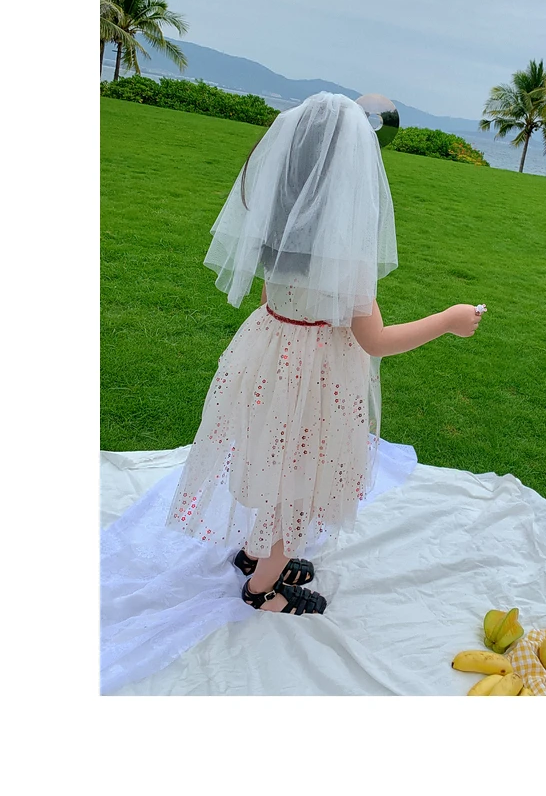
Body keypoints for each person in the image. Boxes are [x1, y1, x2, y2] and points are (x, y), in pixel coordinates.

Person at [165, 92, 485, 615]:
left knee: (275, 461)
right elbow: (376, 341)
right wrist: (448, 321)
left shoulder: (276, 234)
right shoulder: (345, 258)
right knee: (302, 483)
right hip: (317, 380)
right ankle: (263, 588)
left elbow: (271, 300)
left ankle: (255, 553)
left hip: (268, 360)